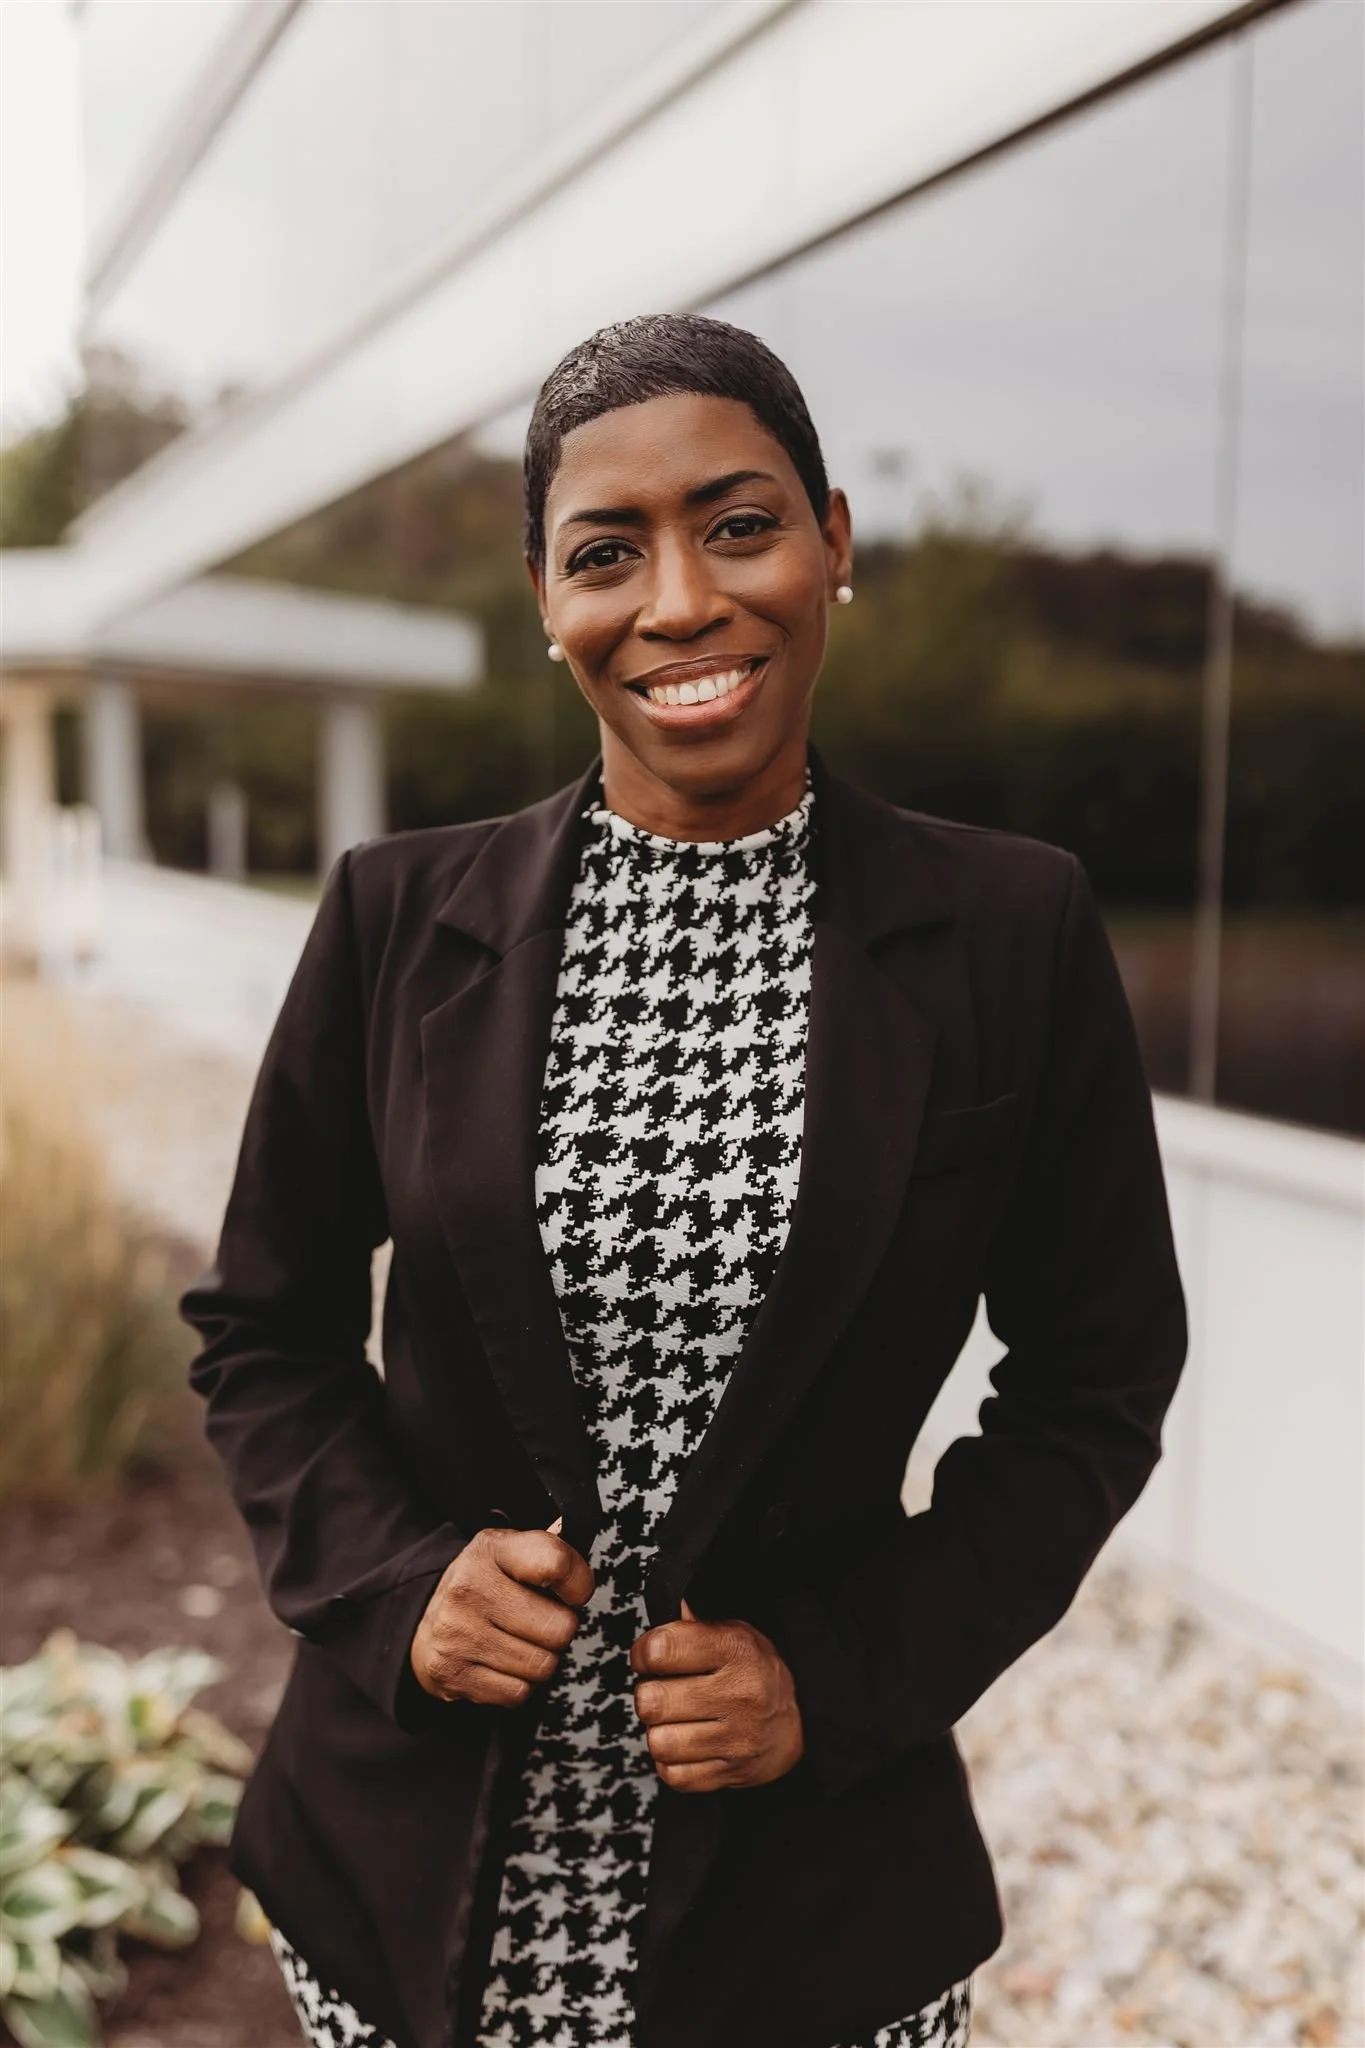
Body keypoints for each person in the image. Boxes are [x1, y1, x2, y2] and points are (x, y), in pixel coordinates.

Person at [182, 313, 1187, 2048]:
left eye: (738, 524)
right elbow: (260, 1333)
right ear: (543, 600)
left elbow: (1095, 1384)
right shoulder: (396, 921)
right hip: (411, 1857)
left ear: (834, 542)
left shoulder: (1009, 933)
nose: (678, 603)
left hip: (809, 1888)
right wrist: (398, 1586)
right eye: (604, 553)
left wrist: (840, 1674)